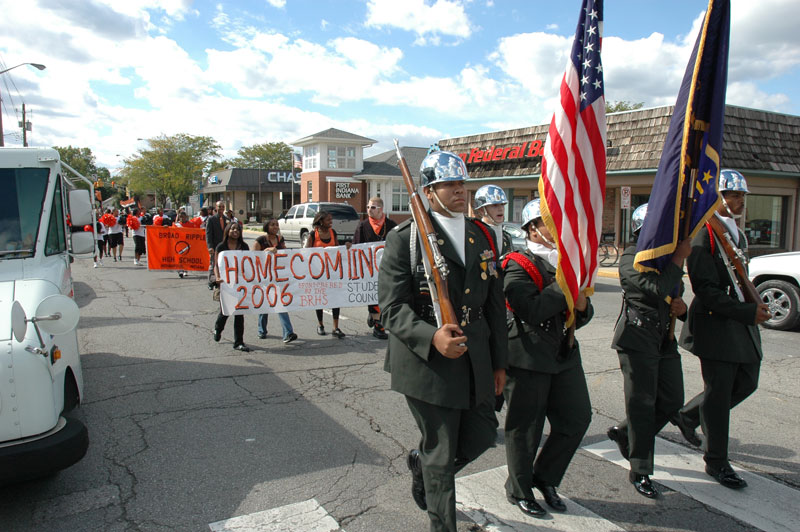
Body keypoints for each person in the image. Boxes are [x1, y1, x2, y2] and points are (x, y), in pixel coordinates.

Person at [379, 150, 507, 532]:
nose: (459, 191)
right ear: (429, 192)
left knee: (483, 435)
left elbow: (495, 305)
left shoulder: (481, 233)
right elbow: (391, 307)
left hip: (476, 356)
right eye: (448, 185)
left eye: (462, 184)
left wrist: (500, 362)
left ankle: (425, 467)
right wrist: (431, 336)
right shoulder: (406, 239)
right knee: (442, 451)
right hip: (428, 363)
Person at [677, 169, 771, 490]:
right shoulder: (704, 234)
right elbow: (706, 290)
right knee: (718, 396)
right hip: (716, 325)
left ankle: (689, 416)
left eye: (742, 196)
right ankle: (716, 461)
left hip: (739, 323)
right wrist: (746, 311)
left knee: (747, 381)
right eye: (734, 195)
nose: (740, 201)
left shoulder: (736, 233)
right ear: (717, 197)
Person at [500, 198, 592, 518]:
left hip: (564, 353)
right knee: (526, 429)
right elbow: (531, 310)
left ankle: (546, 477)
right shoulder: (516, 263)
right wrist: (565, 288)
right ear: (533, 229)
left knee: (577, 418)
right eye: (548, 222)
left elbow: (583, 313)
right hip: (527, 355)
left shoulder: (565, 262)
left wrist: (581, 305)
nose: (557, 228)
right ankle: (520, 488)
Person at [606, 203, 698, 499]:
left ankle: (625, 433)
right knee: (642, 405)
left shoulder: (669, 258)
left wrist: (682, 308)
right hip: (638, 337)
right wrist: (678, 259)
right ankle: (640, 469)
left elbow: (674, 293)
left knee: (672, 399)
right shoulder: (632, 257)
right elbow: (655, 287)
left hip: (664, 338)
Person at [352, 196, 397, 339]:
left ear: (381, 209)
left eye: (373, 207)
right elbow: (356, 247)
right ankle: (378, 326)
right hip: (369, 269)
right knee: (373, 295)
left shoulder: (391, 225)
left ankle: (373, 316)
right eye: (368, 207)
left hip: (386, 268)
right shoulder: (362, 226)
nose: (369, 210)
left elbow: (397, 244)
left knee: (385, 296)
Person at [253, 219, 298, 344]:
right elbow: (252, 257)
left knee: (279, 303)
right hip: (264, 277)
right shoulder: (260, 240)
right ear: (266, 226)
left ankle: (288, 333)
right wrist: (266, 251)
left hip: (278, 277)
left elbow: (285, 254)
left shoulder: (280, 239)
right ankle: (262, 330)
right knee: (265, 305)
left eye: (277, 225)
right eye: (272, 225)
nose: (275, 227)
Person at [305, 211, 346, 338]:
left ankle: (335, 327)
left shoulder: (333, 233)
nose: (331, 222)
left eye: (331, 219)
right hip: (318, 273)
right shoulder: (313, 234)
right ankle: (321, 325)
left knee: (336, 299)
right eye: (328, 220)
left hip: (332, 272)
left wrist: (346, 247)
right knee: (320, 299)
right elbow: (306, 251)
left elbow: (338, 249)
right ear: (321, 221)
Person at [213, 222, 250, 352]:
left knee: (239, 313)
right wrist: (217, 278)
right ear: (228, 231)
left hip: (240, 284)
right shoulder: (221, 247)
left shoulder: (244, 246)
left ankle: (238, 342)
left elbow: (249, 264)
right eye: (233, 229)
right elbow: (216, 265)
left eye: (238, 229)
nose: (235, 231)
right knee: (226, 311)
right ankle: (218, 328)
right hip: (226, 284)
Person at [473, 184, 513, 255]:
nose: (500, 209)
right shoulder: (475, 236)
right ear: (482, 210)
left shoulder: (506, 237)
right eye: (495, 205)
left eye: (502, 204)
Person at [206, 201, 229, 290]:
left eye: (223, 207)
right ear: (216, 207)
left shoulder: (227, 219)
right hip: (215, 246)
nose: (221, 209)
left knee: (223, 264)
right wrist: (210, 247)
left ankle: (221, 279)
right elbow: (208, 234)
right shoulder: (211, 219)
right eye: (220, 207)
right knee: (213, 264)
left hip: (224, 247)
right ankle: (211, 281)